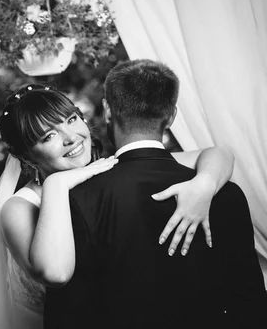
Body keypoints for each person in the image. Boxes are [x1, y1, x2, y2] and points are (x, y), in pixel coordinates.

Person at [0, 82, 235, 329]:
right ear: (27, 156)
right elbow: (56, 274)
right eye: (49, 136)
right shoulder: (18, 209)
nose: (71, 138)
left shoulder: (115, 168)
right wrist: (59, 184)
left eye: (71, 120)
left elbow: (217, 155)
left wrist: (204, 185)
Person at [40, 60, 267, 328]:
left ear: (108, 111)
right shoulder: (226, 193)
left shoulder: (77, 198)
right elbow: (249, 302)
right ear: (171, 116)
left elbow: (68, 313)